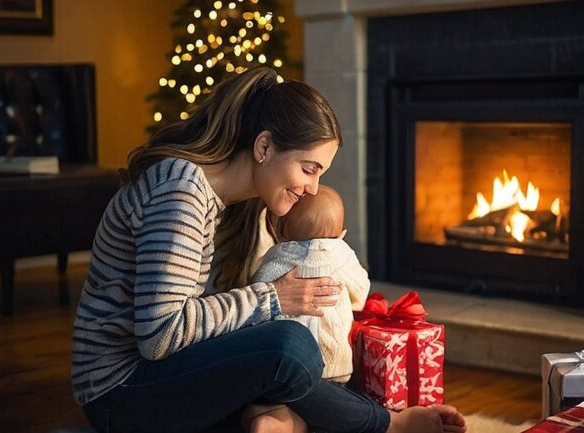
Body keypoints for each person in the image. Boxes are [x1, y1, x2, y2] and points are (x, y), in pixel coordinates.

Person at [70, 66, 467, 433]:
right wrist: (271, 299)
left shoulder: (223, 201)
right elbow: (160, 335)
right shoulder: (181, 192)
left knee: (294, 350)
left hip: (159, 377)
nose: (312, 189)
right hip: (119, 393)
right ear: (264, 147)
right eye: (309, 168)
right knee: (291, 348)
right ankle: (388, 425)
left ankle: (277, 418)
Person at [244, 185, 369, 430]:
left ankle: (275, 417)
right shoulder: (342, 253)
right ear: (341, 233)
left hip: (288, 364)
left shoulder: (278, 254)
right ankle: (305, 424)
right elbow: (361, 290)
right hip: (334, 366)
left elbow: (259, 291)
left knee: (270, 400)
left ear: (281, 233)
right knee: (329, 406)